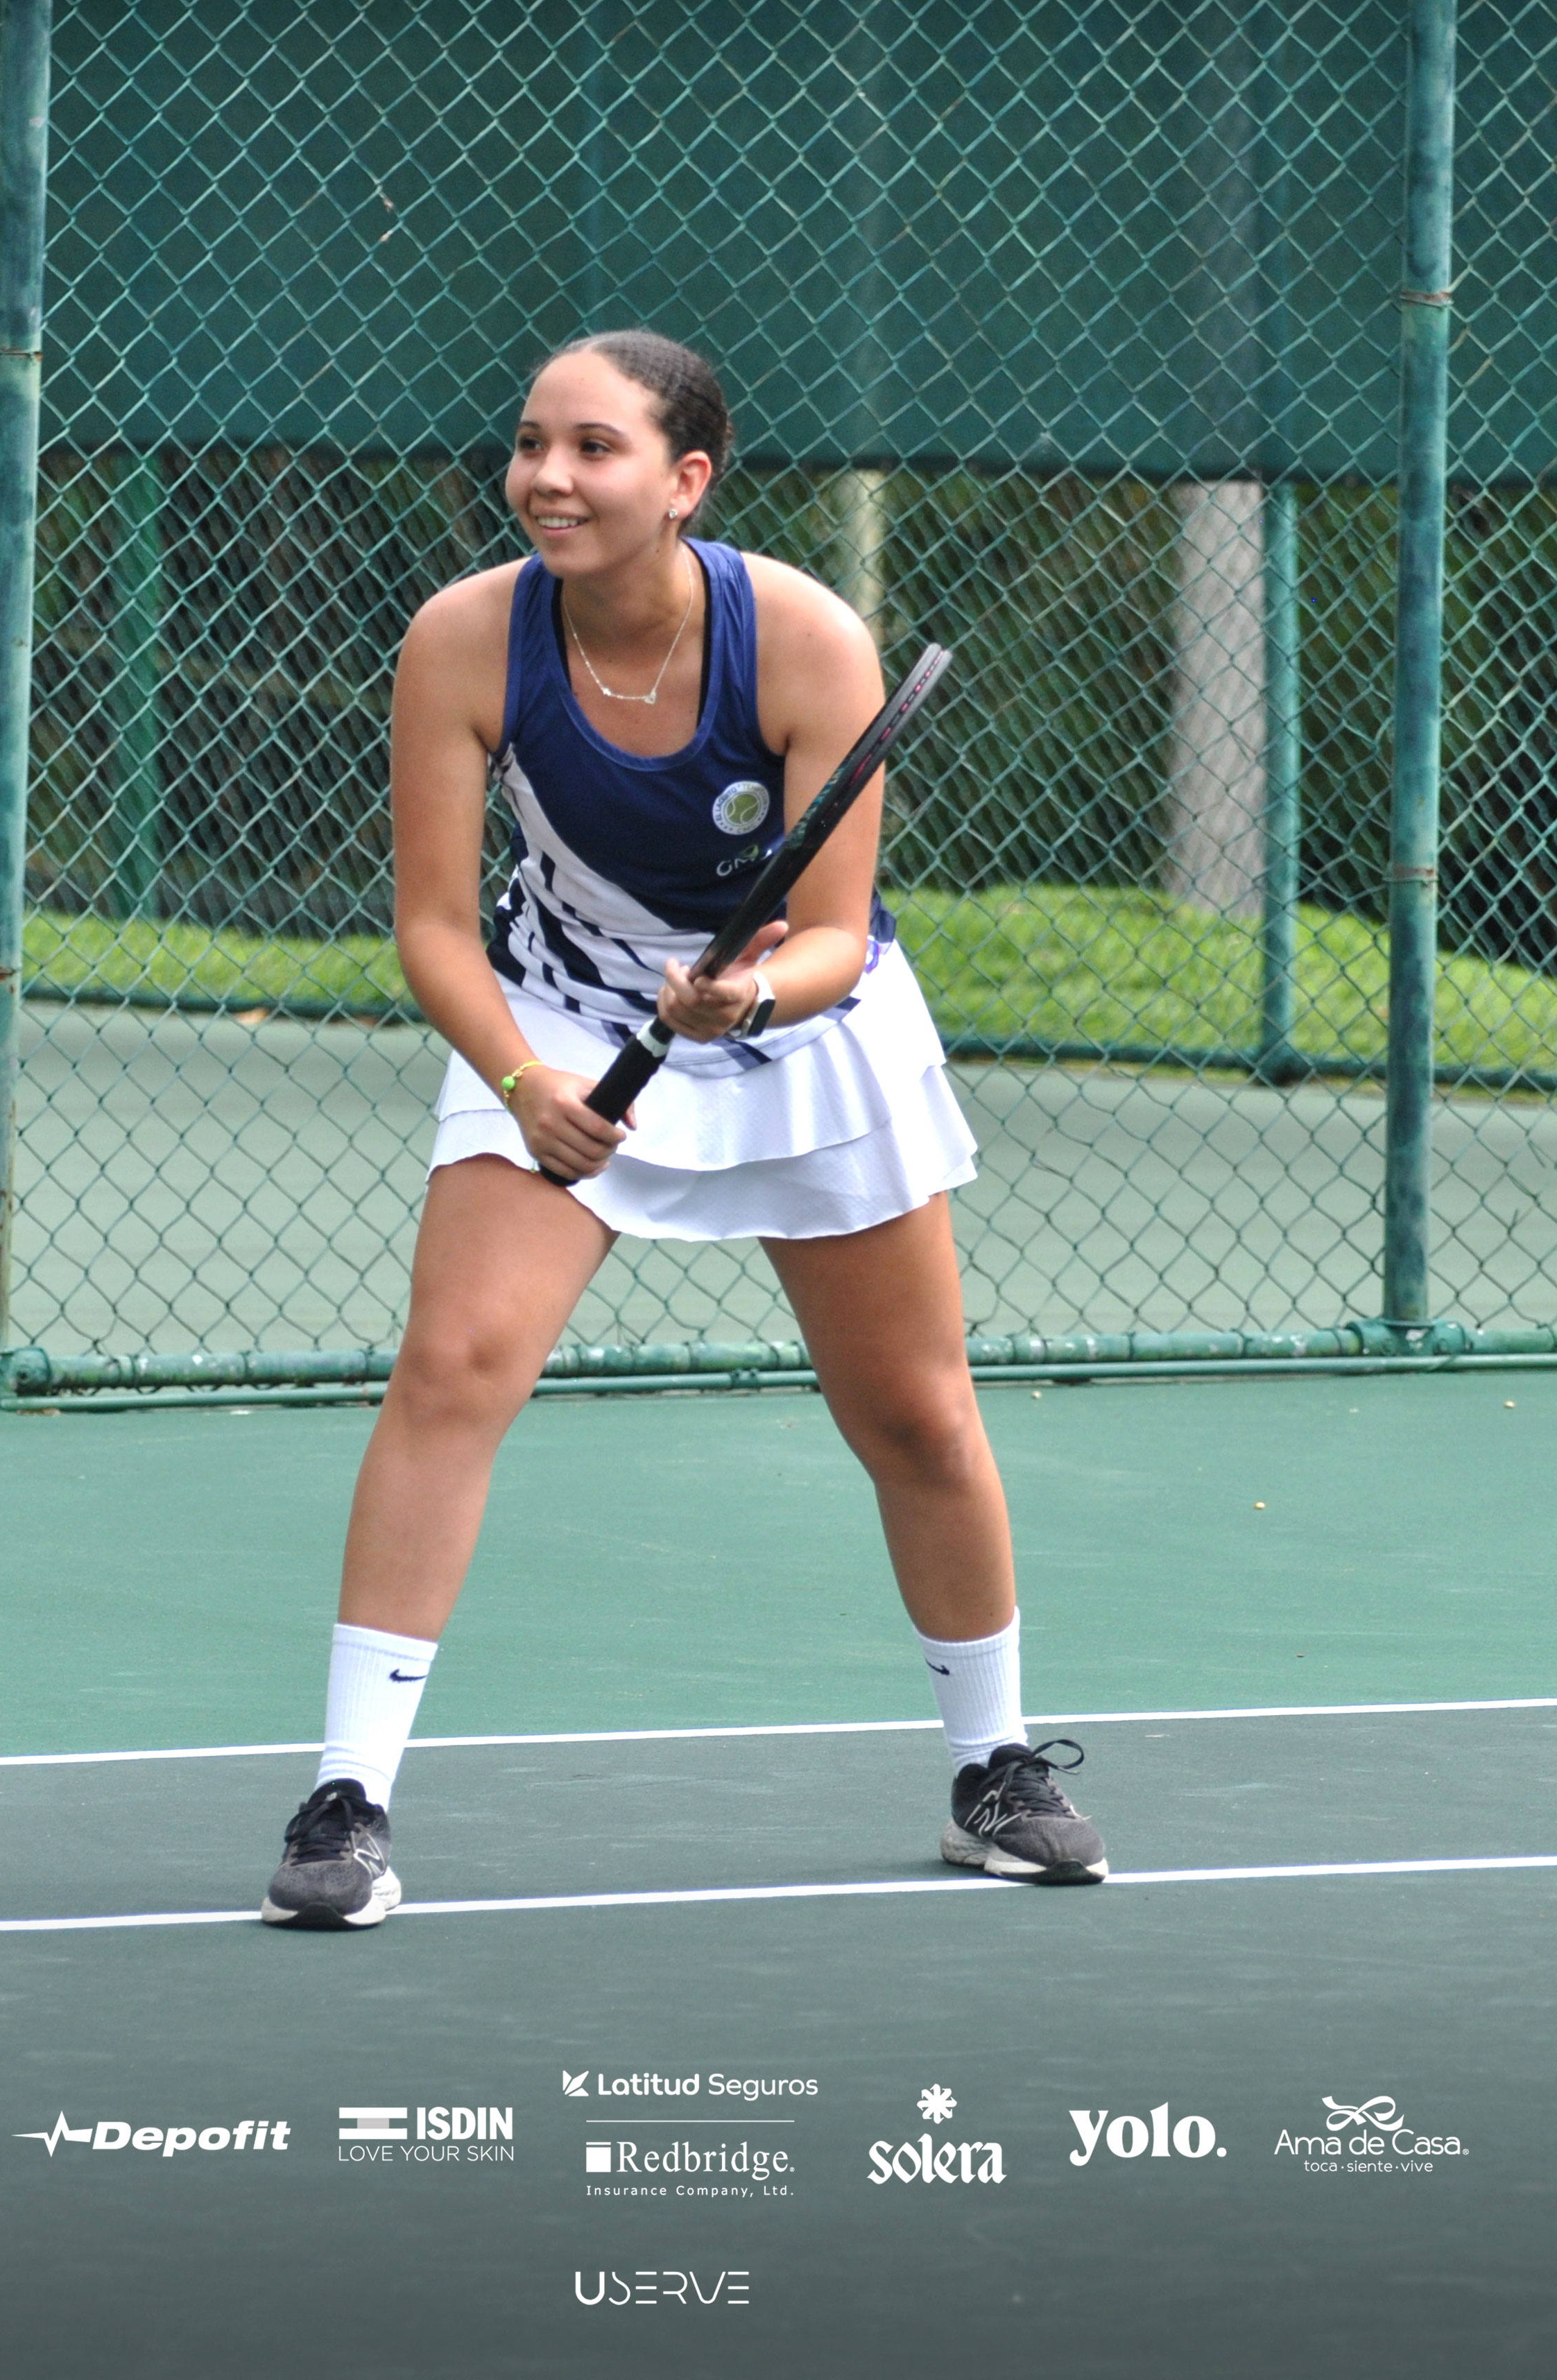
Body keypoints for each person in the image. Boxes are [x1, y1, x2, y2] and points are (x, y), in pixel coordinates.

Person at [260, 328, 1106, 1929]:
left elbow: (836, 936)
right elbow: (434, 926)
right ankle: (346, 1798)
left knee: (917, 1414)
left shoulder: (800, 636)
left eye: (594, 448)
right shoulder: (464, 639)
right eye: (532, 443)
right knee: (452, 1367)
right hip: (562, 1016)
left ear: (685, 479)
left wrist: (748, 997)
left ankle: (994, 1768)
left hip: (805, 1030)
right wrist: (527, 1083)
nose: (548, 476)